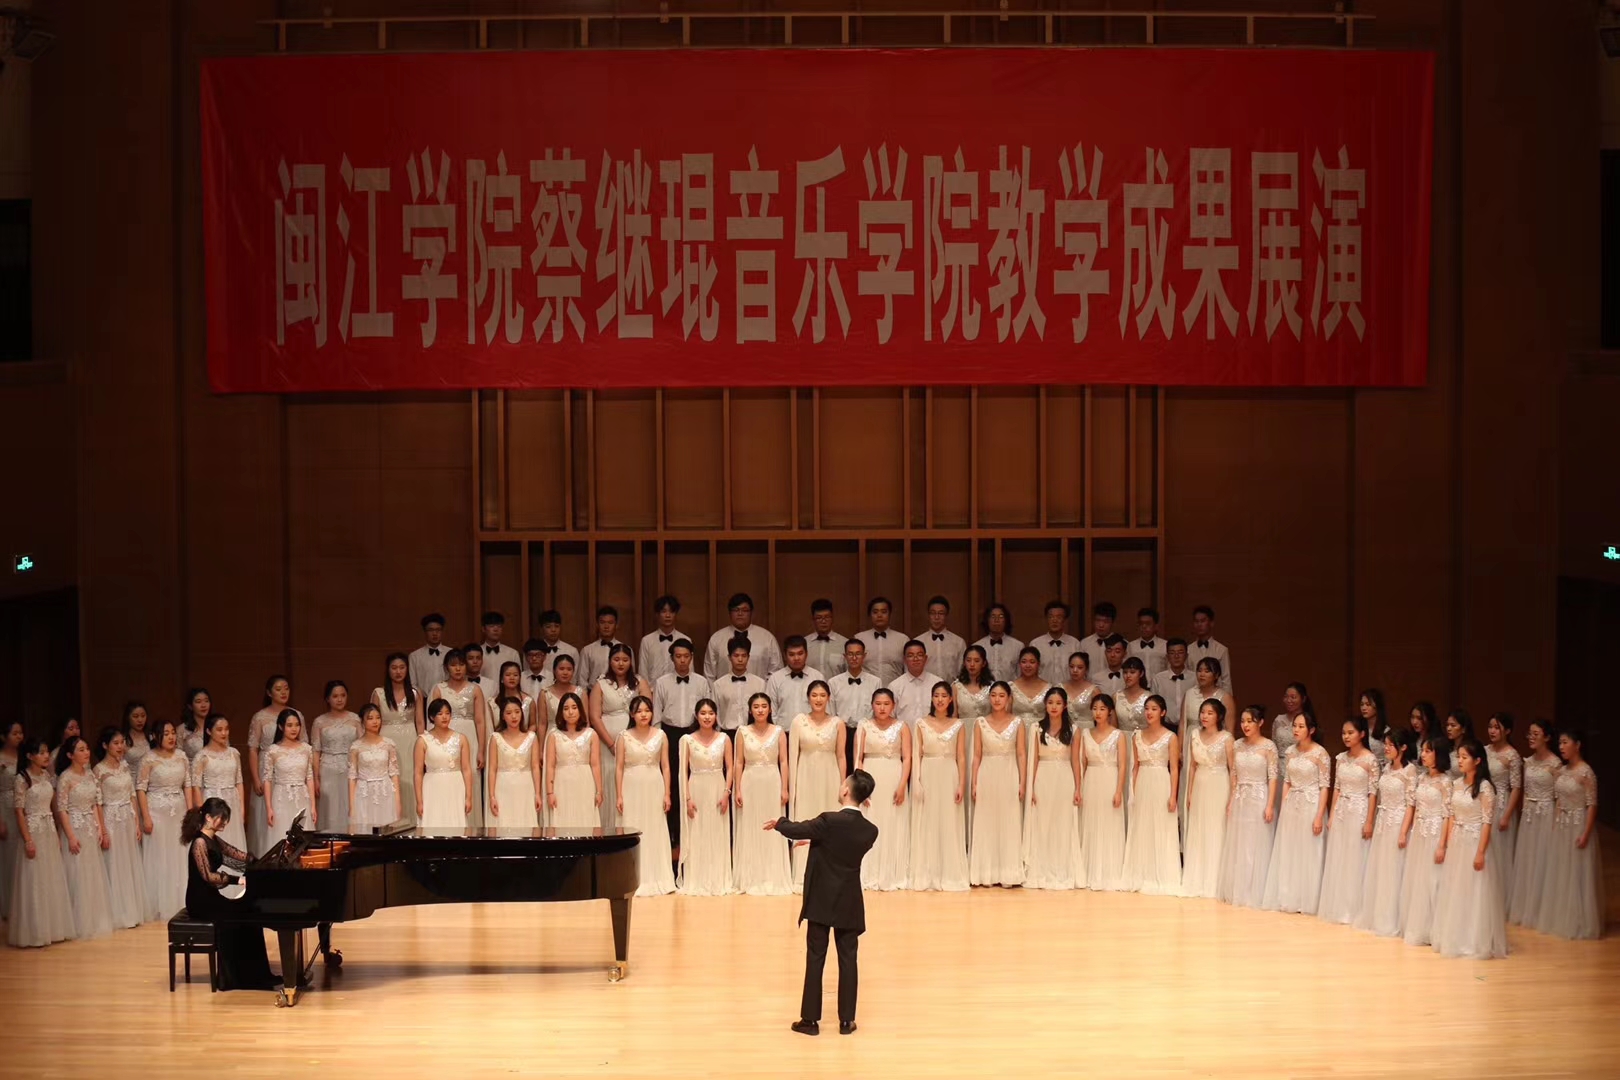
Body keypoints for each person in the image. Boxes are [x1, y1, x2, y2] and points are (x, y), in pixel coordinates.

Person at [768, 769, 880, 1037]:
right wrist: (816, 841)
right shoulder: (870, 831)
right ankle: (846, 1021)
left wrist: (779, 822)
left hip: (821, 900)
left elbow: (796, 829)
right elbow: (843, 845)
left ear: (846, 790)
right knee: (848, 960)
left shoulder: (828, 821)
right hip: (849, 902)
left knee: (815, 958)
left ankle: (810, 1021)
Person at [181, 798, 277, 990]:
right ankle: (237, 978)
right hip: (201, 902)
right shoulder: (200, 843)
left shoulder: (213, 839)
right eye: (221, 818)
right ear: (208, 818)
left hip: (211, 898)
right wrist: (237, 880)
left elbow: (234, 854)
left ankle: (257, 976)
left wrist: (260, 863)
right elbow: (209, 877)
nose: (224, 822)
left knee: (251, 917)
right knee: (239, 919)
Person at [1431, 738, 1507, 959]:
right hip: (1458, 841)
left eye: (1465, 757)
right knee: (1456, 887)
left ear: (1477, 760)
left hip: (1475, 842)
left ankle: (1473, 939)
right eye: (1459, 757)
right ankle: (1455, 935)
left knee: (1475, 889)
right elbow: (1452, 816)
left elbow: (1487, 822)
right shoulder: (1456, 784)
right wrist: (1446, 844)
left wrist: (1481, 852)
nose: (1460, 761)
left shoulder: (1485, 788)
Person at [7, 737, 76, 947]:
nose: (46, 756)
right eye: (41, 752)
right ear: (30, 756)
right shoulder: (22, 779)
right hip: (33, 829)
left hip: (48, 829)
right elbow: (19, 812)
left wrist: (56, 832)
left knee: (50, 876)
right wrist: (28, 840)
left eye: (47, 752)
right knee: (34, 878)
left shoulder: (47, 776)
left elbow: (53, 807)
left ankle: (53, 928)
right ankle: (35, 932)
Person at [1261, 711, 1331, 915]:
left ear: (1311, 730)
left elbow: (1324, 786)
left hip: (1311, 803)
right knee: (1291, 849)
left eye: (1301, 726)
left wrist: (1319, 815)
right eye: (1294, 726)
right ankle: (1289, 895)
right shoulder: (1290, 751)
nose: (1296, 730)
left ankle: (1307, 898)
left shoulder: (1320, 754)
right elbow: (1287, 781)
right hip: (1292, 803)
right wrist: (1284, 805)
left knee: (1309, 849)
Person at [1538, 729, 1602, 940]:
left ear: (1578, 744)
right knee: (1562, 871)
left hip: (1578, 825)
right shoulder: (1562, 771)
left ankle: (1579, 921)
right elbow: (1558, 800)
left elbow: (1592, 805)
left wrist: (1586, 833)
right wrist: (1555, 825)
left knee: (1577, 873)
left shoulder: (1586, 772)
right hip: (1562, 825)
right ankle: (1561, 916)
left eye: (1565, 742)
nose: (1561, 747)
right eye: (1560, 743)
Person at [1316, 717, 1381, 926]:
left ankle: (1353, 909)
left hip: (1359, 810)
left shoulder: (1370, 760)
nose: (1346, 736)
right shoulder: (1341, 758)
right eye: (1344, 733)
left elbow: (1373, 793)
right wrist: (1333, 814)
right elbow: (1337, 787)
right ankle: (1337, 906)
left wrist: (1369, 821)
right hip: (1342, 810)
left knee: (1355, 858)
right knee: (1339, 856)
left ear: (1362, 734)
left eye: (1350, 732)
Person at [654, 638, 710, 864]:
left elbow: (708, 711)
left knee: (693, 784)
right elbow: (656, 715)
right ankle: (673, 839)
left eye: (686, 656)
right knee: (672, 788)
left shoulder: (702, 682)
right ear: (672, 658)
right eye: (678, 656)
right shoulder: (661, 682)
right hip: (669, 734)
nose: (682, 660)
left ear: (692, 657)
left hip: (694, 733)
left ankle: (697, 836)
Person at [1354, 729, 1415, 937]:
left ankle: (1393, 918)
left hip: (1398, 822)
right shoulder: (1387, 768)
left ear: (1403, 747)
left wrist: (1403, 832)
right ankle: (1378, 915)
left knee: (1395, 869)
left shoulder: (1409, 771)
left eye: (1390, 745)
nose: (1386, 748)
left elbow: (1411, 804)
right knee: (1381, 868)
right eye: (1385, 744)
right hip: (1383, 821)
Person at [1216, 706, 1278, 909]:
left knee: (1256, 844)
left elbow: (1273, 777)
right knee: (1239, 844)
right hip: (1241, 798)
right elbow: (1234, 774)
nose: (1245, 725)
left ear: (1260, 723)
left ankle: (1254, 892)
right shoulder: (1237, 745)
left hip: (1259, 797)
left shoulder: (1268, 747)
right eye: (1243, 721)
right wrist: (1231, 800)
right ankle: (1238, 890)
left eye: (1250, 721)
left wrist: (1270, 805)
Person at [909, 681, 969, 892]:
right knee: (928, 820)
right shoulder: (921, 723)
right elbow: (916, 754)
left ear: (951, 699)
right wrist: (917, 781)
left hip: (949, 773)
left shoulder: (958, 724)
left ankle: (949, 872)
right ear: (932, 698)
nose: (940, 699)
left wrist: (961, 783)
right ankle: (927, 872)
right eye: (936, 695)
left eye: (944, 696)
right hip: (928, 772)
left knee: (948, 820)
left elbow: (961, 756)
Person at [53, 736, 115, 941]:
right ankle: (76, 923)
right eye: (80, 749)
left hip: (90, 827)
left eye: (87, 748)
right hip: (75, 827)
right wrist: (70, 836)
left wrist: (101, 829)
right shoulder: (65, 778)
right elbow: (61, 810)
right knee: (76, 872)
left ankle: (94, 919)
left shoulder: (90, 774)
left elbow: (96, 804)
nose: (86, 752)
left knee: (91, 873)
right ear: (70, 755)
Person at [1021, 687, 1082, 890]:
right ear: (1045, 705)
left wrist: (1078, 788)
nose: (1054, 707)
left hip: (1064, 778)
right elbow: (1034, 759)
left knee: (1063, 823)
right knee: (1042, 822)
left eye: (1058, 703)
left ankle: (1062, 868)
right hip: (1043, 778)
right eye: (1050, 703)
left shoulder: (1074, 730)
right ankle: (1041, 869)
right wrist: (1031, 787)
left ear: (1064, 706)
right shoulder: (1036, 728)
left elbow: (1076, 761)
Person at [789, 680, 846, 890]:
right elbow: (793, 755)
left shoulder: (838, 723)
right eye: (814, 695)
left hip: (830, 776)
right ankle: (803, 875)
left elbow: (841, 756)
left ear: (828, 698)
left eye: (822, 695)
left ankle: (830, 874)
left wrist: (843, 784)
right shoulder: (798, 721)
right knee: (807, 819)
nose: (818, 699)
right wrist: (792, 786)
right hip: (805, 776)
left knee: (829, 820)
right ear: (808, 698)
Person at [734, 694, 792, 895]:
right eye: (756, 706)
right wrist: (737, 788)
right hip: (750, 781)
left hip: (772, 781)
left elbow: (783, 761)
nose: (760, 710)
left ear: (770, 709)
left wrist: (784, 787)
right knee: (751, 825)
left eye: (764, 706)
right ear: (750, 710)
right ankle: (751, 876)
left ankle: (772, 875)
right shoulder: (742, 732)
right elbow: (739, 762)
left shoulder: (778, 732)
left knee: (772, 825)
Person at [1122, 696, 1181, 894]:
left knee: (1162, 826)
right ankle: (1142, 872)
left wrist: (1173, 795)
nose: (1149, 712)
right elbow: (1135, 767)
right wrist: (1133, 793)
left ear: (1162, 712)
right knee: (1143, 826)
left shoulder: (1171, 737)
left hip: (1161, 781)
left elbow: (1174, 768)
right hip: (1143, 783)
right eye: (1147, 708)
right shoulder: (1137, 735)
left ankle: (1163, 873)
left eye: (1154, 709)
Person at [616, 696, 675, 896]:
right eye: (639, 711)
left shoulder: (661, 735)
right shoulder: (623, 736)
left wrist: (667, 793)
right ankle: (632, 878)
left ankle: (657, 877)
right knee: (633, 827)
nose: (644, 714)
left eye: (647, 711)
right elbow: (619, 767)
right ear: (632, 714)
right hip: (631, 786)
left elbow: (665, 766)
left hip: (654, 786)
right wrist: (619, 795)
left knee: (654, 827)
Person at [854, 689, 912, 891]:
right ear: (872, 705)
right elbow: (858, 758)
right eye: (878, 704)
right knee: (871, 820)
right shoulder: (864, 726)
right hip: (871, 777)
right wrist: (861, 788)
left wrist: (903, 784)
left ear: (893, 705)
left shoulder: (902, 727)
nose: (882, 708)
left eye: (886, 704)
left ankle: (892, 872)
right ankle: (869, 872)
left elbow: (907, 758)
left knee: (893, 822)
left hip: (894, 775)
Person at [968, 682, 1024, 887]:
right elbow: (976, 755)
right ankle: (986, 872)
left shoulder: (1017, 722)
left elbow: (1021, 753)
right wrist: (974, 782)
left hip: (1009, 773)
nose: (997, 699)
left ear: (1009, 698)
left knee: (1009, 820)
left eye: (1001, 695)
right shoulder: (980, 723)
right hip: (987, 773)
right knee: (987, 821)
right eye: (993, 695)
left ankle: (1009, 872)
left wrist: (1022, 781)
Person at [1507, 719, 1562, 928]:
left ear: (1546, 737)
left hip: (1546, 814)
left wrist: (1556, 822)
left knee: (1544, 859)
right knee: (1528, 859)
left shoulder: (1555, 764)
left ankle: (1543, 910)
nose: (1531, 737)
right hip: (1529, 815)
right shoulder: (1528, 762)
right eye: (1529, 733)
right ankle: (1526, 907)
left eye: (1535, 734)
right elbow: (1525, 791)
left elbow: (1559, 797)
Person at [1400, 738, 1454, 947]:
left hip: (1435, 833)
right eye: (1422, 750)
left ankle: (1435, 929)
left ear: (1438, 754)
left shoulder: (1446, 782)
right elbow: (1416, 808)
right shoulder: (1422, 778)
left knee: (1434, 880)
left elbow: (1448, 815)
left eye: (1428, 751)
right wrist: (1411, 831)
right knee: (1418, 879)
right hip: (1420, 833)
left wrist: (1442, 844)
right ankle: (1418, 926)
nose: (1423, 754)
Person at [591, 643, 651, 830]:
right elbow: (594, 717)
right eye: (616, 659)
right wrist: (611, 744)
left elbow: (649, 709)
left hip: (636, 742)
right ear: (610, 661)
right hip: (607, 744)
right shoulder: (601, 684)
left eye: (625, 660)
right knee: (610, 782)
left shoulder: (640, 682)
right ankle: (609, 829)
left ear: (631, 661)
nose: (621, 663)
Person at [678, 700, 734, 895]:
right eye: (703, 713)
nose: (707, 717)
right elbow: (682, 772)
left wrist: (726, 792)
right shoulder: (687, 740)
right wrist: (687, 798)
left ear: (716, 715)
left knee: (717, 832)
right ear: (696, 715)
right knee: (697, 832)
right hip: (696, 788)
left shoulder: (724, 738)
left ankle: (718, 878)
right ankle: (697, 879)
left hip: (718, 787)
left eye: (711, 713)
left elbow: (730, 767)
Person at [137, 720, 191, 920]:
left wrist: (191, 812)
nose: (171, 737)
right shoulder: (148, 759)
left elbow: (187, 784)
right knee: (160, 855)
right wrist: (146, 817)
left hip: (179, 810)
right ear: (155, 736)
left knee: (179, 853)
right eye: (166, 733)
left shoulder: (182, 756)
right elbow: (141, 789)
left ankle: (181, 899)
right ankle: (159, 904)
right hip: (157, 812)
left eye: (172, 733)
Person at [1180, 699, 1233, 898]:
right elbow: (1192, 766)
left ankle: (1215, 880)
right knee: (1199, 828)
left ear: (1219, 716)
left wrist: (1232, 797)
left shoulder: (1226, 738)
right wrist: (1189, 792)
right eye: (1203, 712)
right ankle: (1197, 878)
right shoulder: (1194, 735)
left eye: (1210, 713)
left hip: (1219, 784)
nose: (1204, 716)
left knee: (1216, 828)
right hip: (1200, 785)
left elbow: (1233, 769)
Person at [95, 728, 147, 928]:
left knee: (129, 863)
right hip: (111, 818)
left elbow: (132, 794)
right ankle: (116, 913)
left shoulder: (125, 766)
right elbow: (98, 803)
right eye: (115, 743)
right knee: (114, 863)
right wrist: (102, 829)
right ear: (105, 745)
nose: (120, 747)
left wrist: (137, 822)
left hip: (127, 817)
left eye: (122, 742)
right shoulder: (99, 770)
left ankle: (131, 911)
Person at [431, 650, 488, 827]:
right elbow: (432, 718)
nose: (458, 669)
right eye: (453, 665)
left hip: (469, 735)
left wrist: (481, 750)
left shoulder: (475, 689)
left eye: (461, 664)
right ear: (446, 667)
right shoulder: (439, 689)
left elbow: (480, 721)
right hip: (443, 735)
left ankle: (471, 826)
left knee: (470, 777)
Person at [1079, 695, 1128, 891]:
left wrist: (1119, 790)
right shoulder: (1085, 734)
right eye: (1095, 709)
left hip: (1110, 780)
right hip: (1091, 780)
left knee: (1110, 823)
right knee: (1090, 823)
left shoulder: (1118, 735)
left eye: (1102, 709)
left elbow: (1122, 765)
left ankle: (1110, 871)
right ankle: (1088, 871)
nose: (1098, 712)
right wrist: (1080, 787)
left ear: (1110, 712)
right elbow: (1082, 763)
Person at [247, 676, 299, 854]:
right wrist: (256, 778)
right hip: (267, 768)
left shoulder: (296, 714)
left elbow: (303, 745)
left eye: (286, 688)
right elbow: (253, 749)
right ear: (269, 693)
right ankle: (266, 853)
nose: (283, 692)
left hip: (289, 767)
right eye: (278, 689)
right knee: (268, 814)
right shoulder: (260, 717)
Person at [373, 654, 423, 828]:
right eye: (394, 668)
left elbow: (420, 722)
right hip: (386, 740)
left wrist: (423, 746)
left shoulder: (415, 693)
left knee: (409, 778)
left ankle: (411, 825)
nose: (398, 672)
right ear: (388, 670)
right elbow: (372, 722)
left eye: (402, 667)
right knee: (390, 780)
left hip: (410, 740)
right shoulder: (379, 693)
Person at [188, 715, 247, 852]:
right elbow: (196, 787)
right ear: (209, 731)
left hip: (232, 801)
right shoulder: (202, 756)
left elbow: (239, 782)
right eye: (219, 730)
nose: (224, 733)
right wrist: (202, 812)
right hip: (212, 802)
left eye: (226, 729)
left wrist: (242, 808)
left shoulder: (234, 753)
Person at [546, 693, 602, 830]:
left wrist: (599, 791)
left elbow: (595, 764)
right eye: (566, 708)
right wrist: (550, 792)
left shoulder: (591, 734)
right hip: (562, 783)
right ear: (561, 712)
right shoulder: (554, 735)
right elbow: (550, 766)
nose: (570, 712)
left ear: (580, 710)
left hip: (585, 782)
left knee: (586, 819)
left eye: (574, 707)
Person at [311, 682, 361, 834]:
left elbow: (361, 746)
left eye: (343, 695)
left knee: (351, 805)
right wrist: (316, 778)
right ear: (327, 699)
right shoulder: (319, 722)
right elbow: (316, 751)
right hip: (328, 768)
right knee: (330, 809)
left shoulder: (355, 719)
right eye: (335, 696)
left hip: (350, 768)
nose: (339, 699)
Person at [1483, 711, 1522, 902]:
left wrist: (1507, 815)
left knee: (1499, 852)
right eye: (1490, 727)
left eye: (1497, 727)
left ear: (1507, 731)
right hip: (1485, 801)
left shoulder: (1512, 755)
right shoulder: (1485, 750)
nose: (1492, 731)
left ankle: (1500, 898)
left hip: (1502, 804)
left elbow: (1516, 788)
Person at [261, 710, 316, 847]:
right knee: (281, 834)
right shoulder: (273, 750)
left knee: (303, 836)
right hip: (281, 798)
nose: (294, 729)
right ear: (281, 727)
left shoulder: (306, 749)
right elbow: (267, 780)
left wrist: (313, 806)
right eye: (289, 725)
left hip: (302, 797)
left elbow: (309, 777)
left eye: (297, 725)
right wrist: (269, 808)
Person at [416, 699, 473, 829]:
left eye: (447, 713)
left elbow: (466, 769)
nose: (445, 717)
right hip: (432, 788)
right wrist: (419, 801)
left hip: (455, 786)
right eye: (440, 714)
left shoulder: (461, 739)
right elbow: (418, 773)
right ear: (432, 717)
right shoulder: (422, 741)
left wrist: (469, 797)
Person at [348, 704, 402, 833]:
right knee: (364, 830)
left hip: (385, 791)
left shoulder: (389, 744)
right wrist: (352, 805)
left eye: (378, 717)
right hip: (364, 792)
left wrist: (398, 801)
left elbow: (394, 774)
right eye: (370, 718)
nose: (375, 721)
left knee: (386, 830)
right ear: (362, 721)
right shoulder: (356, 747)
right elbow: (352, 777)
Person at [703, 592, 782, 679]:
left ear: (751, 612)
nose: (740, 613)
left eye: (744, 610)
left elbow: (776, 673)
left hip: (759, 687)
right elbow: (709, 675)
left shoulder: (767, 638)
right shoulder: (716, 639)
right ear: (729, 613)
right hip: (723, 688)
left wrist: (763, 688)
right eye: (735, 610)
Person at [767, 635, 826, 725]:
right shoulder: (775, 679)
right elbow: (771, 711)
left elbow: (825, 708)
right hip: (783, 731)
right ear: (785, 656)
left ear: (806, 654)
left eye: (800, 653)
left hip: (813, 731)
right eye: (791, 654)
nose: (796, 658)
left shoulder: (818, 677)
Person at [713, 636, 766, 734]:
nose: (740, 659)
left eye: (744, 655)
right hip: (727, 733)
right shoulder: (718, 685)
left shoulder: (760, 684)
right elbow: (715, 713)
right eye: (736, 655)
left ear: (748, 657)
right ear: (729, 657)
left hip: (753, 733)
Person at [1270, 683, 1309, 813]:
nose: (1289, 700)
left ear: (1303, 699)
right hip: (1279, 768)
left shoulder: (1306, 721)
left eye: (1293, 697)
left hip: (1298, 768)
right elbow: (1273, 745)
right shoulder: (1278, 720)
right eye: (1286, 697)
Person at [855, 596, 907, 684]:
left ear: (890, 614)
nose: (879, 615)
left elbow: (908, 671)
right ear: (870, 615)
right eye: (875, 612)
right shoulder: (859, 639)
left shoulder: (903, 640)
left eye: (884, 612)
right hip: (866, 689)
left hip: (894, 690)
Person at [828, 639, 875, 730]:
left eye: (858, 654)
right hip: (841, 730)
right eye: (850, 654)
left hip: (867, 731)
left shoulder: (875, 682)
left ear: (864, 656)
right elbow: (831, 713)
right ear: (845, 656)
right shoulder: (833, 683)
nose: (854, 658)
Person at [885, 640, 933, 725]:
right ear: (904, 659)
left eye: (919, 655)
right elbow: (889, 717)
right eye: (910, 656)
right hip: (903, 733)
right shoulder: (894, 686)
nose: (915, 659)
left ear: (925, 658)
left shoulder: (937, 683)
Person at [1035, 600, 1083, 686]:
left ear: (1065, 620)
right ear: (1046, 619)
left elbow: (1081, 672)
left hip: (1069, 691)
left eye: (1059, 617)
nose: (1054, 620)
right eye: (1051, 617)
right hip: (1043, 691)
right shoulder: (1036, 644)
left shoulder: (1075, 644)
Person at [638, 594, 685, 683]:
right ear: (657, 614)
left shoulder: (685, 640)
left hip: (678, 688)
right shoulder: (646, 641)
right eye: (664, 611)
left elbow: (689, 671)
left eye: (671, 611)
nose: (668, 615)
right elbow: (642, 672)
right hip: (653, 689)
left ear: (676, 614)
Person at [0, 720, 20, 921]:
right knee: (8, 856)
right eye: (14, 733)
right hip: (5, 807)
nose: (19, 736)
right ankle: (7, 906)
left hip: (21, 807)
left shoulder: (24, 756)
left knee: (19, 856)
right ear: (4, 736)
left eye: (20, 733)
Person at [577, 605, 625, 689]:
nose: (606, 626)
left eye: (610, 623)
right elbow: (582, 680)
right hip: (593, 693)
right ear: (597, 624)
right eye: (602, 622)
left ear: (616, 625)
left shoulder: (625, 650)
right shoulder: (587, 650)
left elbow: (630, 677)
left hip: (619, 693)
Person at [1187, 605, 1232, 695]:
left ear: (1211, 623)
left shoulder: (1221, 650)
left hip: (1216, 696)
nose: (1199, 624)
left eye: (1203, 621)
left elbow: (1226, 680)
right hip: (1194, 695)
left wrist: (1227, 700)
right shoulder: (1188, 650)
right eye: (1196, 621)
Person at [973, 603, 1023, 683]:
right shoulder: (977, 646)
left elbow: (1021, 675)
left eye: (1001, 617)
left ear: (1006, 620)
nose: (997, 620)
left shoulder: (1018, 646)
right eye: (993, 617)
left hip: (1010, 689)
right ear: (987, 620)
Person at [921, 595, 966, 682]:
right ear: (928, 615)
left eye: (941, 613)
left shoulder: (959, 642)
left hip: (952, 688)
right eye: (933, 613)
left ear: (946, 615)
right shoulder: (918, 642)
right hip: (925, 688)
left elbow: (963, 672)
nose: (936, 617)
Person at [408, 612, 450, 703]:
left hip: (448, 699)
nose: (435, 633)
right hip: (423, 700)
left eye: (438, 630)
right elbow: (412, 684)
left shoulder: (450, 653)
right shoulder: (414, 656)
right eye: (431, 630)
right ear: (425, 632)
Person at [1151, 639, 1192, 733]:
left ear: (1186, 655)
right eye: (1172, 653)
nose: (1176, 656)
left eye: (1180, 652)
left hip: (1189, 727)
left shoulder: (1195, 678)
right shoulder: (1158, 679)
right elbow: (1154, 706)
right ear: (1167, 657)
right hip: (1165, 727)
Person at [804, 598, 848, 678]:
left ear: (832, 618)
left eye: (827, 617)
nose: (823, 621)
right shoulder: (804, 643)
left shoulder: (844, 643)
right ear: (813, 619)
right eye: (819, 618)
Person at [1008, 646, 1050, 728]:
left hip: (1040, 731)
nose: (1027, 665)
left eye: (1032, 662)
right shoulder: (1011, 687)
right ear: (1019, 664)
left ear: (1038, 664)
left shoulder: (1048, 688)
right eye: (1024, 662)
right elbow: (1006, 715)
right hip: (1017, 730)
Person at [1128, 607, 1168, 683]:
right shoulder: (1131, 646)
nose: (1144, 627)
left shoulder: (1165, 645)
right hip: (1137, 686)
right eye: (1141, 623)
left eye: (1148, 623)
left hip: (1160, 686)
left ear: (1156, 626)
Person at [1080, 601, 1117, 677]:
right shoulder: (1084, 644)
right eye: (1098, 620)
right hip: (1089, 684)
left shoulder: (1122, 644)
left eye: (1105, 621)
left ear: (1112, 622)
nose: (1101, 625)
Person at [179, 690, 210, 761]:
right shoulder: (182, 729)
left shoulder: (216, 727)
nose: (203, 705)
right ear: (190, 706)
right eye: (198, 702)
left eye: (206, 701)